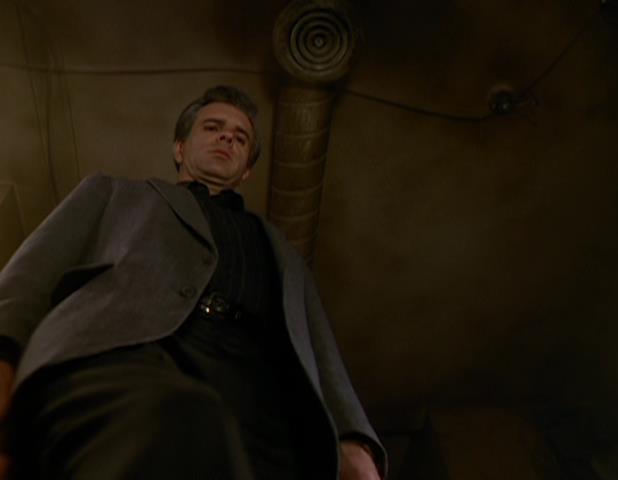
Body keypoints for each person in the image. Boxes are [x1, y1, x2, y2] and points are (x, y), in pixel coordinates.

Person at [0, 86, 386, 479]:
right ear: (180, 149)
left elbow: (320, 345)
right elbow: (31, 272)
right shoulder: (111, 191)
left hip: (260, 395)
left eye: (240, 138)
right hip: (125, 354)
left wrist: (355, 438)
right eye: (213, 127)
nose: (227, 138)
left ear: (247, 171)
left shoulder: (284, 252)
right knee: (179, 416)